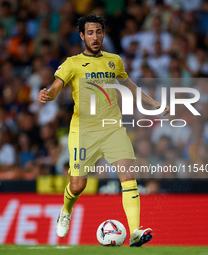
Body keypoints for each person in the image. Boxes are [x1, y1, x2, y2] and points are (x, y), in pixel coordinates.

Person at [37, 15, 170, 247]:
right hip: (83, 132)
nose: (95, 37)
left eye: (98, 32)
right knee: (78, 185)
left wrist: (155, 104)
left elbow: (130, 87)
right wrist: (48, 94)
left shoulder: (114, 61)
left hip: (112, 129)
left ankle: (136, 231)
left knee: (128, 176)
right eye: (90, 33)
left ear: (103, 33)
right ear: (82, 36)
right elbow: (56, 87)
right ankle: (66, 209)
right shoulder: (72, 63)